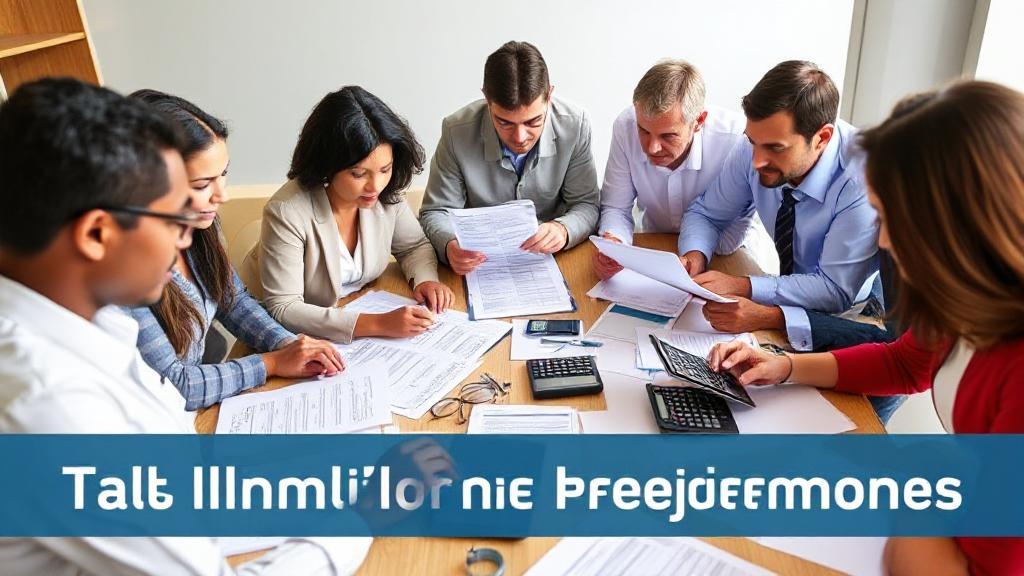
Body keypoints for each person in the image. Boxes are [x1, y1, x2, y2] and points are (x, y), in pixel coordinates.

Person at [0, 78, 370, 574]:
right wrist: (365, 515)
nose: (185, 247)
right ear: (97, 233)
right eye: (175, 220)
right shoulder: (48, 403)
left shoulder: (99, 324)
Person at [709, 81, 1024, 575]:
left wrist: (929, 476)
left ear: (960, 223)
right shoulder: (966, 300)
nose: (883, 238)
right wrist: (784, 366)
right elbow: (904, 362)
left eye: (893, 216)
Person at [128, 90, 345, 410]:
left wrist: (288, 345)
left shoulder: (201, 227)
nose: (221, 195)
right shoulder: (122, 275)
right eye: (203, 185)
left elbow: (233, 299)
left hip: (207, 393)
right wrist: (270, 363)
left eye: (224, 175)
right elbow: (175, 386)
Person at [678, 60, 879, 347]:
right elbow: (707, 214)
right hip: (789, 302)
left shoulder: (863, 178)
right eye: (753, 142)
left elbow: (834, 290)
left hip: (853, 317)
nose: (757, 161)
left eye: (775, 148)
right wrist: (695, 256)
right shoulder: (756, 147)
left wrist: (743, 286)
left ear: (822, 138)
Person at [245, 86, 452, 344]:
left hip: (357, 309)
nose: (375, 185)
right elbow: (284, 307)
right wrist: (378, 323)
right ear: (326, 166)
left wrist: (425, 281)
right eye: (358, 174)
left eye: (385, 169)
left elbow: (414, 246)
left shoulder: (384, 194)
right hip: (290, 337)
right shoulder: (287, 212)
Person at [419, 40, 600, 275]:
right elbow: (436, 211)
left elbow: (587, 204)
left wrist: (563, 229)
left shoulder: (576, 126)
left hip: (553, 262)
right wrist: (449, 245)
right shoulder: (456, 131)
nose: (520, 137)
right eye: (504, 122)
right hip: (481, 266)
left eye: (534, 121)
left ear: (550, 96)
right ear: (487, 99)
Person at [594, 59, 757, 280]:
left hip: (728, 250)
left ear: (699, 121)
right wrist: (614, 242)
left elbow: (731, 224)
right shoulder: (625, 126)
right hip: (655, 242)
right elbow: (616, 206)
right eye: (643, 130)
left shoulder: (739, 141)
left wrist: (694, 255)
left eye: (667, 136)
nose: (652, 147)